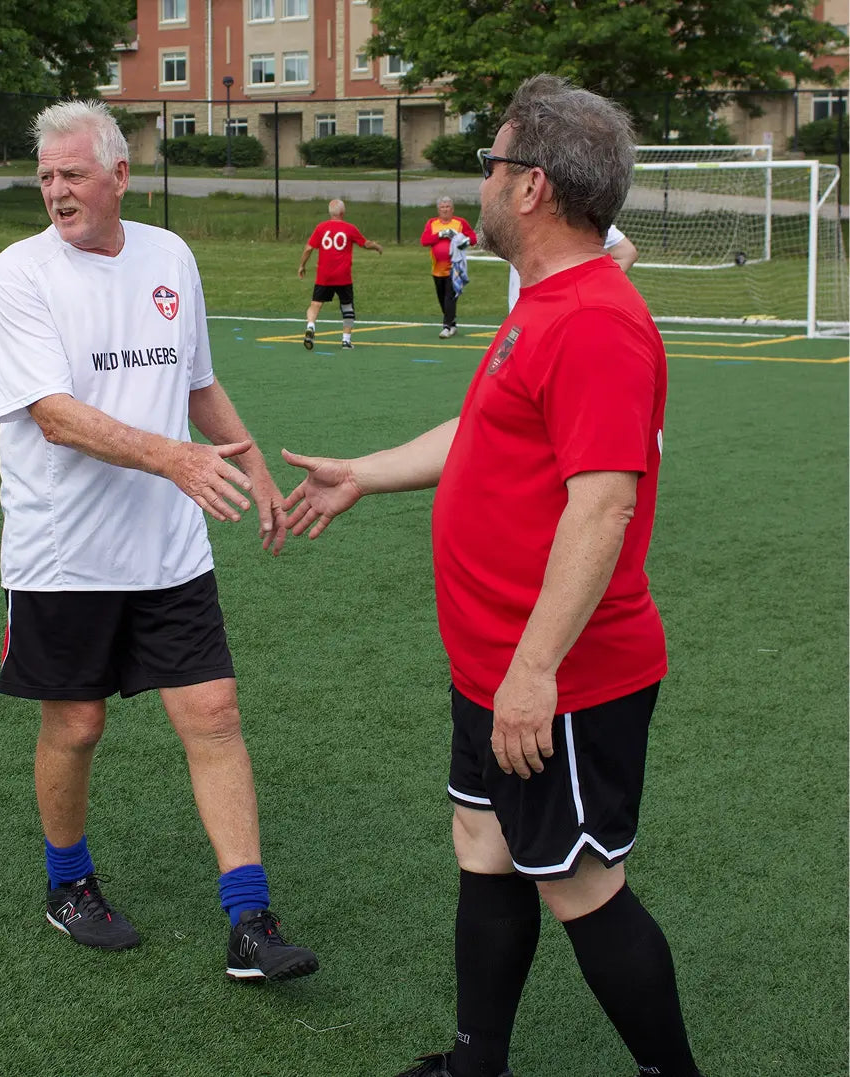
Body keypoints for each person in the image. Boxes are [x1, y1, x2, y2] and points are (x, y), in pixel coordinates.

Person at [281, 74, 705, 1077]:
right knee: (483, 845)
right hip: (494, 664)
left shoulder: (594, 318)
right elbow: (487, 434)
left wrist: (533, 668)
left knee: (580, 884)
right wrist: (363, 474)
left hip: (556, 675)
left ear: (531, 188)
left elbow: (602, 506)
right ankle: (476, 1063)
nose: (478, 183)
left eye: (490, 162)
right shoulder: (544, 303)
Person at [0, 99, 318, 982]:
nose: (55, 192)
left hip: (170, 547)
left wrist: (254, 470)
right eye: (45, 177)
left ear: (119, 175)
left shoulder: (170, 255)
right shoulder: (19, 273)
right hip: (63, 551)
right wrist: (174, 459)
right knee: (78, 722)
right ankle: (69, 884)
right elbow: (53, 416)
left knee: (213, 714)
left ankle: (250, 919)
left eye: (73, 175)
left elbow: (196, 381)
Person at [297, 199, 382, 350]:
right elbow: (365, 244)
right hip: (343, 276)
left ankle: (310, 326)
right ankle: (346, 341)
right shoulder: (349, 228)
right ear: (343, 213)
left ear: (330, 213)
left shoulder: (321, 227)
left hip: (324, 275)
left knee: (315, 304)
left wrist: (302, 265)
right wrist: (376, 246)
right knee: (347, 306)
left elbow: (309, 248)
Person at [508, 223, 637, 312]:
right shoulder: (524, 213)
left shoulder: (585, 219)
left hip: (548, 318)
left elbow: (626, 253)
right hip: (526, 315)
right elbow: (626, 253)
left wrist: (586, 290)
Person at [420, 197, 476, 338]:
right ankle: (452, 324)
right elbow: (425, 241)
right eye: (442, 207)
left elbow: (473, 239)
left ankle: (446, 327)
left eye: (447, 207)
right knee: (442, 297)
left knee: (449, 296)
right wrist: (440, 234)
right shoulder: (432, 223)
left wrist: (459, 238)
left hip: (454, 267)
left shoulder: (460, 222)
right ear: (438, 210)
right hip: (437, 268)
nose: (445, 209)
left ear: (452, 209)